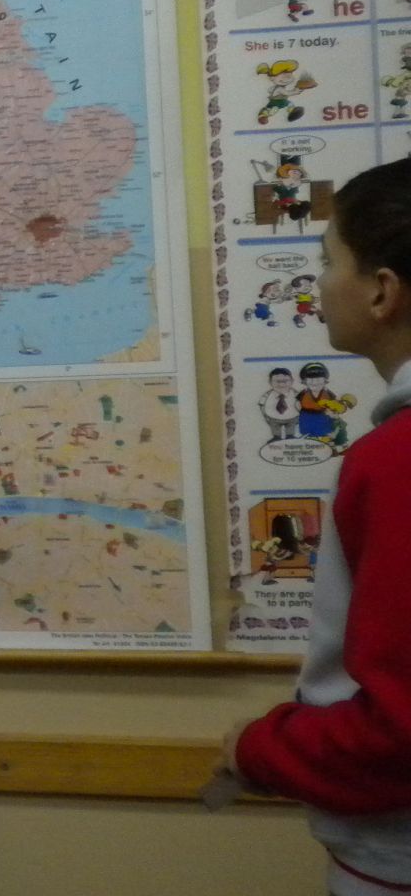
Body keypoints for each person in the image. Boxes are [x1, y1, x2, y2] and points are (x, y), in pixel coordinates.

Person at [221, 157, 411, 896]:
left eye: (329, 261)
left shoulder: (396, 462)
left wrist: (259, 749)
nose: (319, 283)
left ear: (382, 290)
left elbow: (398, 729)